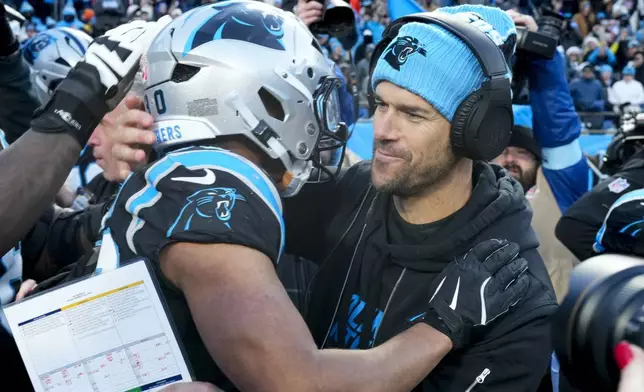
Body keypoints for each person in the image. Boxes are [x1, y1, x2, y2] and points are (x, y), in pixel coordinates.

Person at [109, 4, 554, 391]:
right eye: (381, 104)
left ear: (477, 132)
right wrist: (162, 143)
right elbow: (215, 211)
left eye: (413, 114)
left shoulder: (513, 295)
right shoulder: (355, 192)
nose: (383, 131)